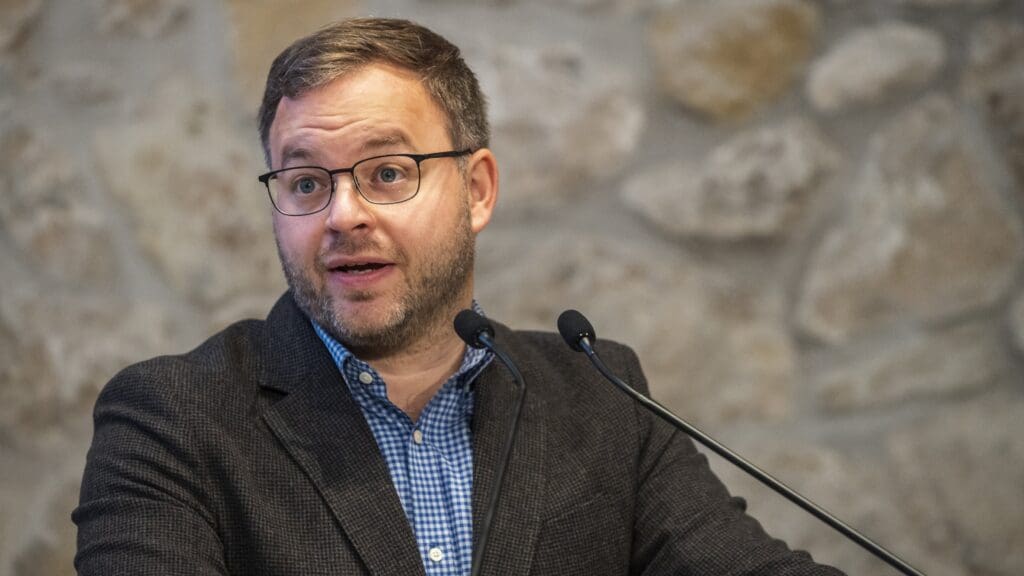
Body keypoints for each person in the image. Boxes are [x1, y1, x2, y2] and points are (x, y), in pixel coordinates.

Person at [73, 17, 844, 576]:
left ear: (476, 190)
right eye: (306, 182)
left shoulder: (596, 394)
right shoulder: (172, 418)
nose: (343, 215)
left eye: (386, 172)